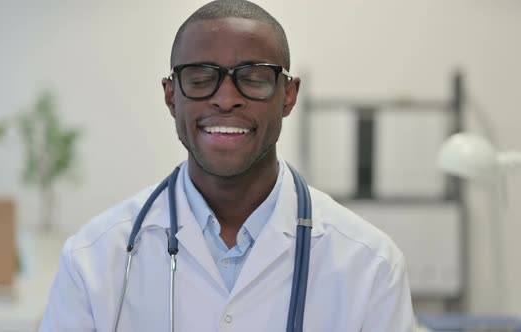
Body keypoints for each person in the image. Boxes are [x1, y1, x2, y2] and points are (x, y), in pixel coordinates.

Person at [39, 0, 416, 331]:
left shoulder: (370, 265)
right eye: (201, 78)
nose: (226, 99)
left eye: (253, 78)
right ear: (172, 97)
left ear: (288, 95)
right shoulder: (95, 259)